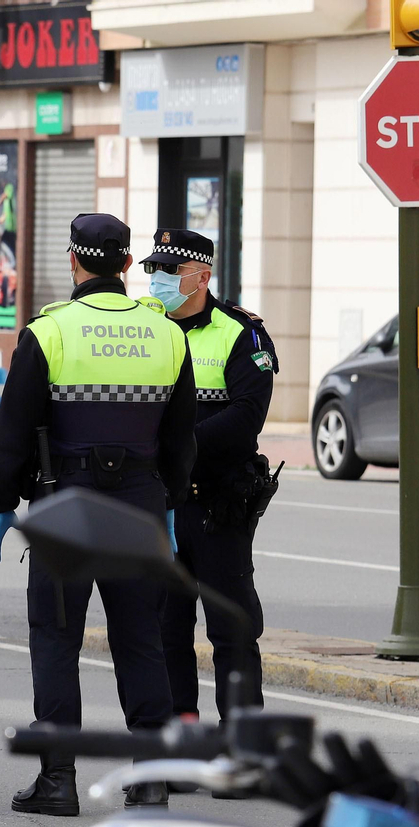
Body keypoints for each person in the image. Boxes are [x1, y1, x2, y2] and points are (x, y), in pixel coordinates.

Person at [0, 213, 196, 815]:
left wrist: (2, 500)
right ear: (127, 264)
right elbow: (182, 440)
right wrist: (170, 501)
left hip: (65, 501)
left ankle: (57, 780)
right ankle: (151, 779)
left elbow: (14, 430)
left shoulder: (49, 332)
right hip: (140, 502)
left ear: (73, 261)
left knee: (56, 637)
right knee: (140, 640)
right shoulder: (167, 335)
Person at [145, 229, 275, 732]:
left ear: (201, 275)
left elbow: (246, 417)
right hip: (159, 503)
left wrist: (178, 445)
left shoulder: (239, 333)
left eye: (169, 272)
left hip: (217, 506)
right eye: (153, 270)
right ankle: (181, 737)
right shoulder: (144, 327)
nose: (157, 281)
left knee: (232, 629)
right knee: (165, 628)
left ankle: (240, 745)